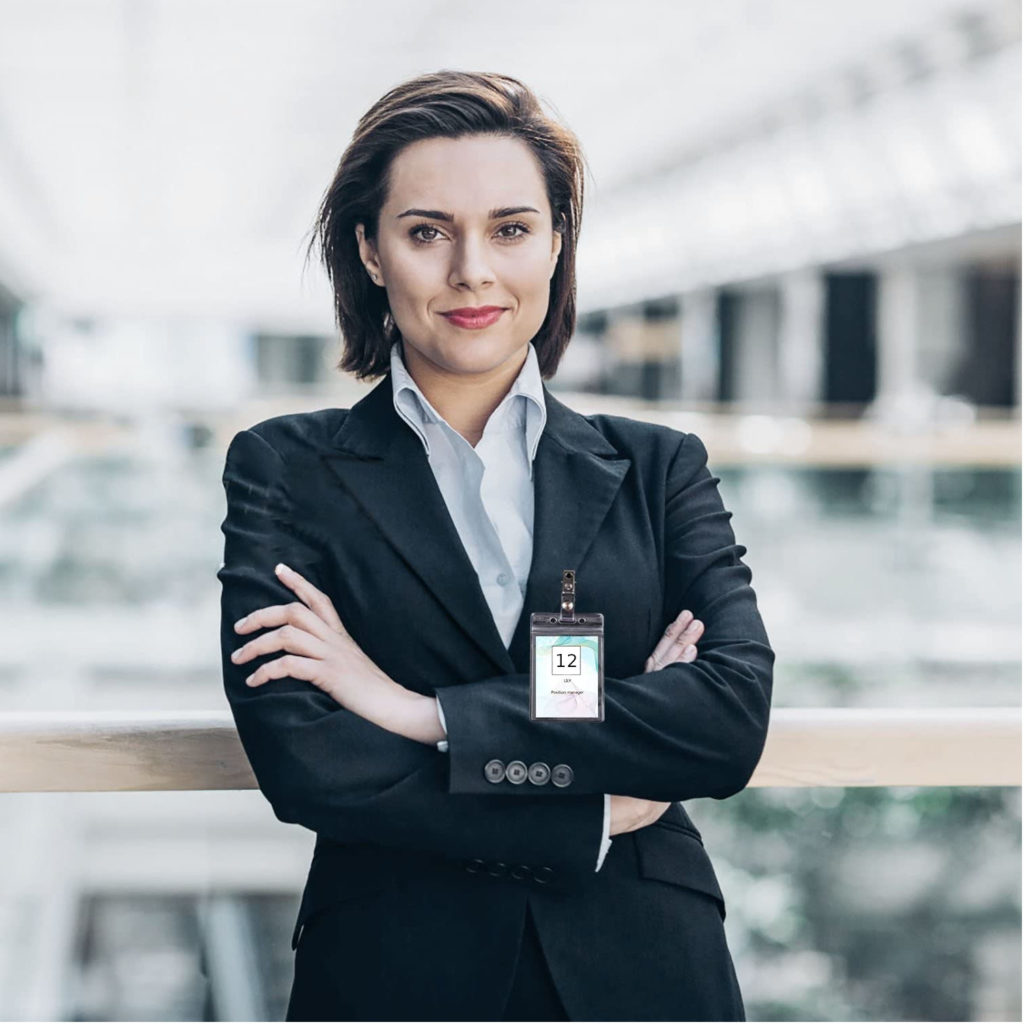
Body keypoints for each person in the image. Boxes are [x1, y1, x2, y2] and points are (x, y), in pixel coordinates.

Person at [217, 69, 774, 1022]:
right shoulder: (286, 468)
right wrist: (593, 802)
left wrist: (415, 711)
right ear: (371, 250)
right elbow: (308, 759)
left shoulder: (658, 468)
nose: (472, 270)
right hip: (394, 974)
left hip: (644, 970)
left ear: (557, 243)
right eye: (427, 233)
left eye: (510, 229)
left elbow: (724, 720)